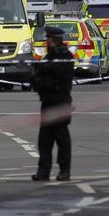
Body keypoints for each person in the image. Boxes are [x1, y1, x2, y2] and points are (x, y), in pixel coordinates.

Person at [31, 26, 75, 182]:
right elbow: (39, 78)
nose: (46, 41)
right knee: (44, 140)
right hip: (47, 102)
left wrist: (48, 67)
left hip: (60, 102)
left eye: (48, 39)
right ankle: (43, 171)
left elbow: (64, 74)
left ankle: (64, 171)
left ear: (53, 39)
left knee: (62, 139)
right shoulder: (49, 57)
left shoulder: (66, 56)